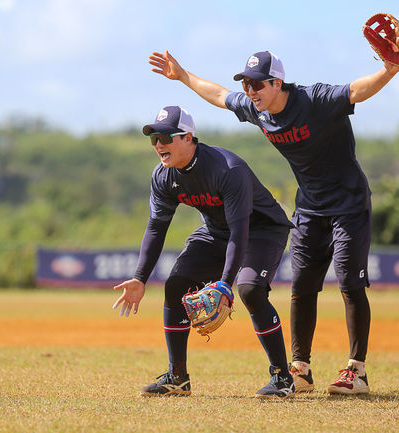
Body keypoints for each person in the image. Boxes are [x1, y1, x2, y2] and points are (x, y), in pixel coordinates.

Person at [148, 50, 399, 395]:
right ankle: (301, 370)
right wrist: (182, 75)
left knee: (349, 284)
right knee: (301, 287)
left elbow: (355, 91)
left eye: (256, 84)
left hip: (349, 203)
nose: (250, 91)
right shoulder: (258, 110)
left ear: (277, 83)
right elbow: (220, 96)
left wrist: (390, 69)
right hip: (310, 207)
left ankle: (356, 371)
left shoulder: (314, 99)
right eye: (247, 84)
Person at [112, 105, 296, 398]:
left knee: (250, 290)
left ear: (188, 137)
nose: (159, 145)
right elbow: (157, 228)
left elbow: (240, 231)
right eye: (154, 139)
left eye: (165, 137)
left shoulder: (226, 169)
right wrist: (139, 277)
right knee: (175, 286)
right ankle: (178, 377)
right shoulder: (164, 176)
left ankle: (282, 377)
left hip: (261, 230)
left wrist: (224, 283)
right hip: (216, 231)